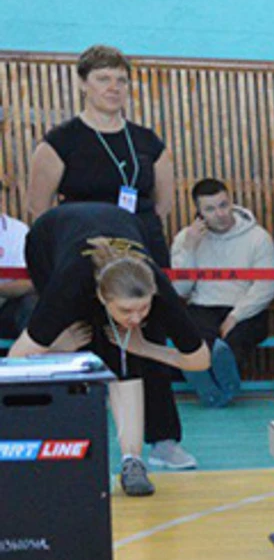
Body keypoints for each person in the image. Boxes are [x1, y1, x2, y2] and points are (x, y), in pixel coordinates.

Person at [26, 44, 193, 474]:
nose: (113, 88)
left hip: (138, 242)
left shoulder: (146, 141)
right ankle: (71, 438)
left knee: (145, 336)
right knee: (81, 334)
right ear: (83, 84)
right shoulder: (60, 141)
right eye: (103, 79)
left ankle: (163, 440)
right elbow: (38, 206)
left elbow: (163, 202)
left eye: (120, 79)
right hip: (78, 248)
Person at [10, 203, 211, 496]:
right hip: (49, 239)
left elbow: (200, 360)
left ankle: (133, 460)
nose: (137, 317)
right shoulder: (68, 289)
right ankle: (68, 451)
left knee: (126, 352)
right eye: (128, 310)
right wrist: (55, 347)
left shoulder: (156, 288)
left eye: (144, 308)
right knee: (83, 340)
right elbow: (15, 359)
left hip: (122, 224)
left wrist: (147, 348)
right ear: (102, 299)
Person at [169, 178, 274, 408]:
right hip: (203, 305)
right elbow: (180, 289)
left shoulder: (258, 237)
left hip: (245, 306)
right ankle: (207, 383)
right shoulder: (186, 239)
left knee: (236, 338)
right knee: (196, 337)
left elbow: (265, 287)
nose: (220, 213)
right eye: (210, 209)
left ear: (231, 203)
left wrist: (235, 316)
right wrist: (189, 250)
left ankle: (221, 375)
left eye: (223, 205)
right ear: (199, 213)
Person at [0, 214, 34, 341]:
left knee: (31, 303)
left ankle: (33, 353)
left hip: (8, 306)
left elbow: (30, 283)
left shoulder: (17, 230)